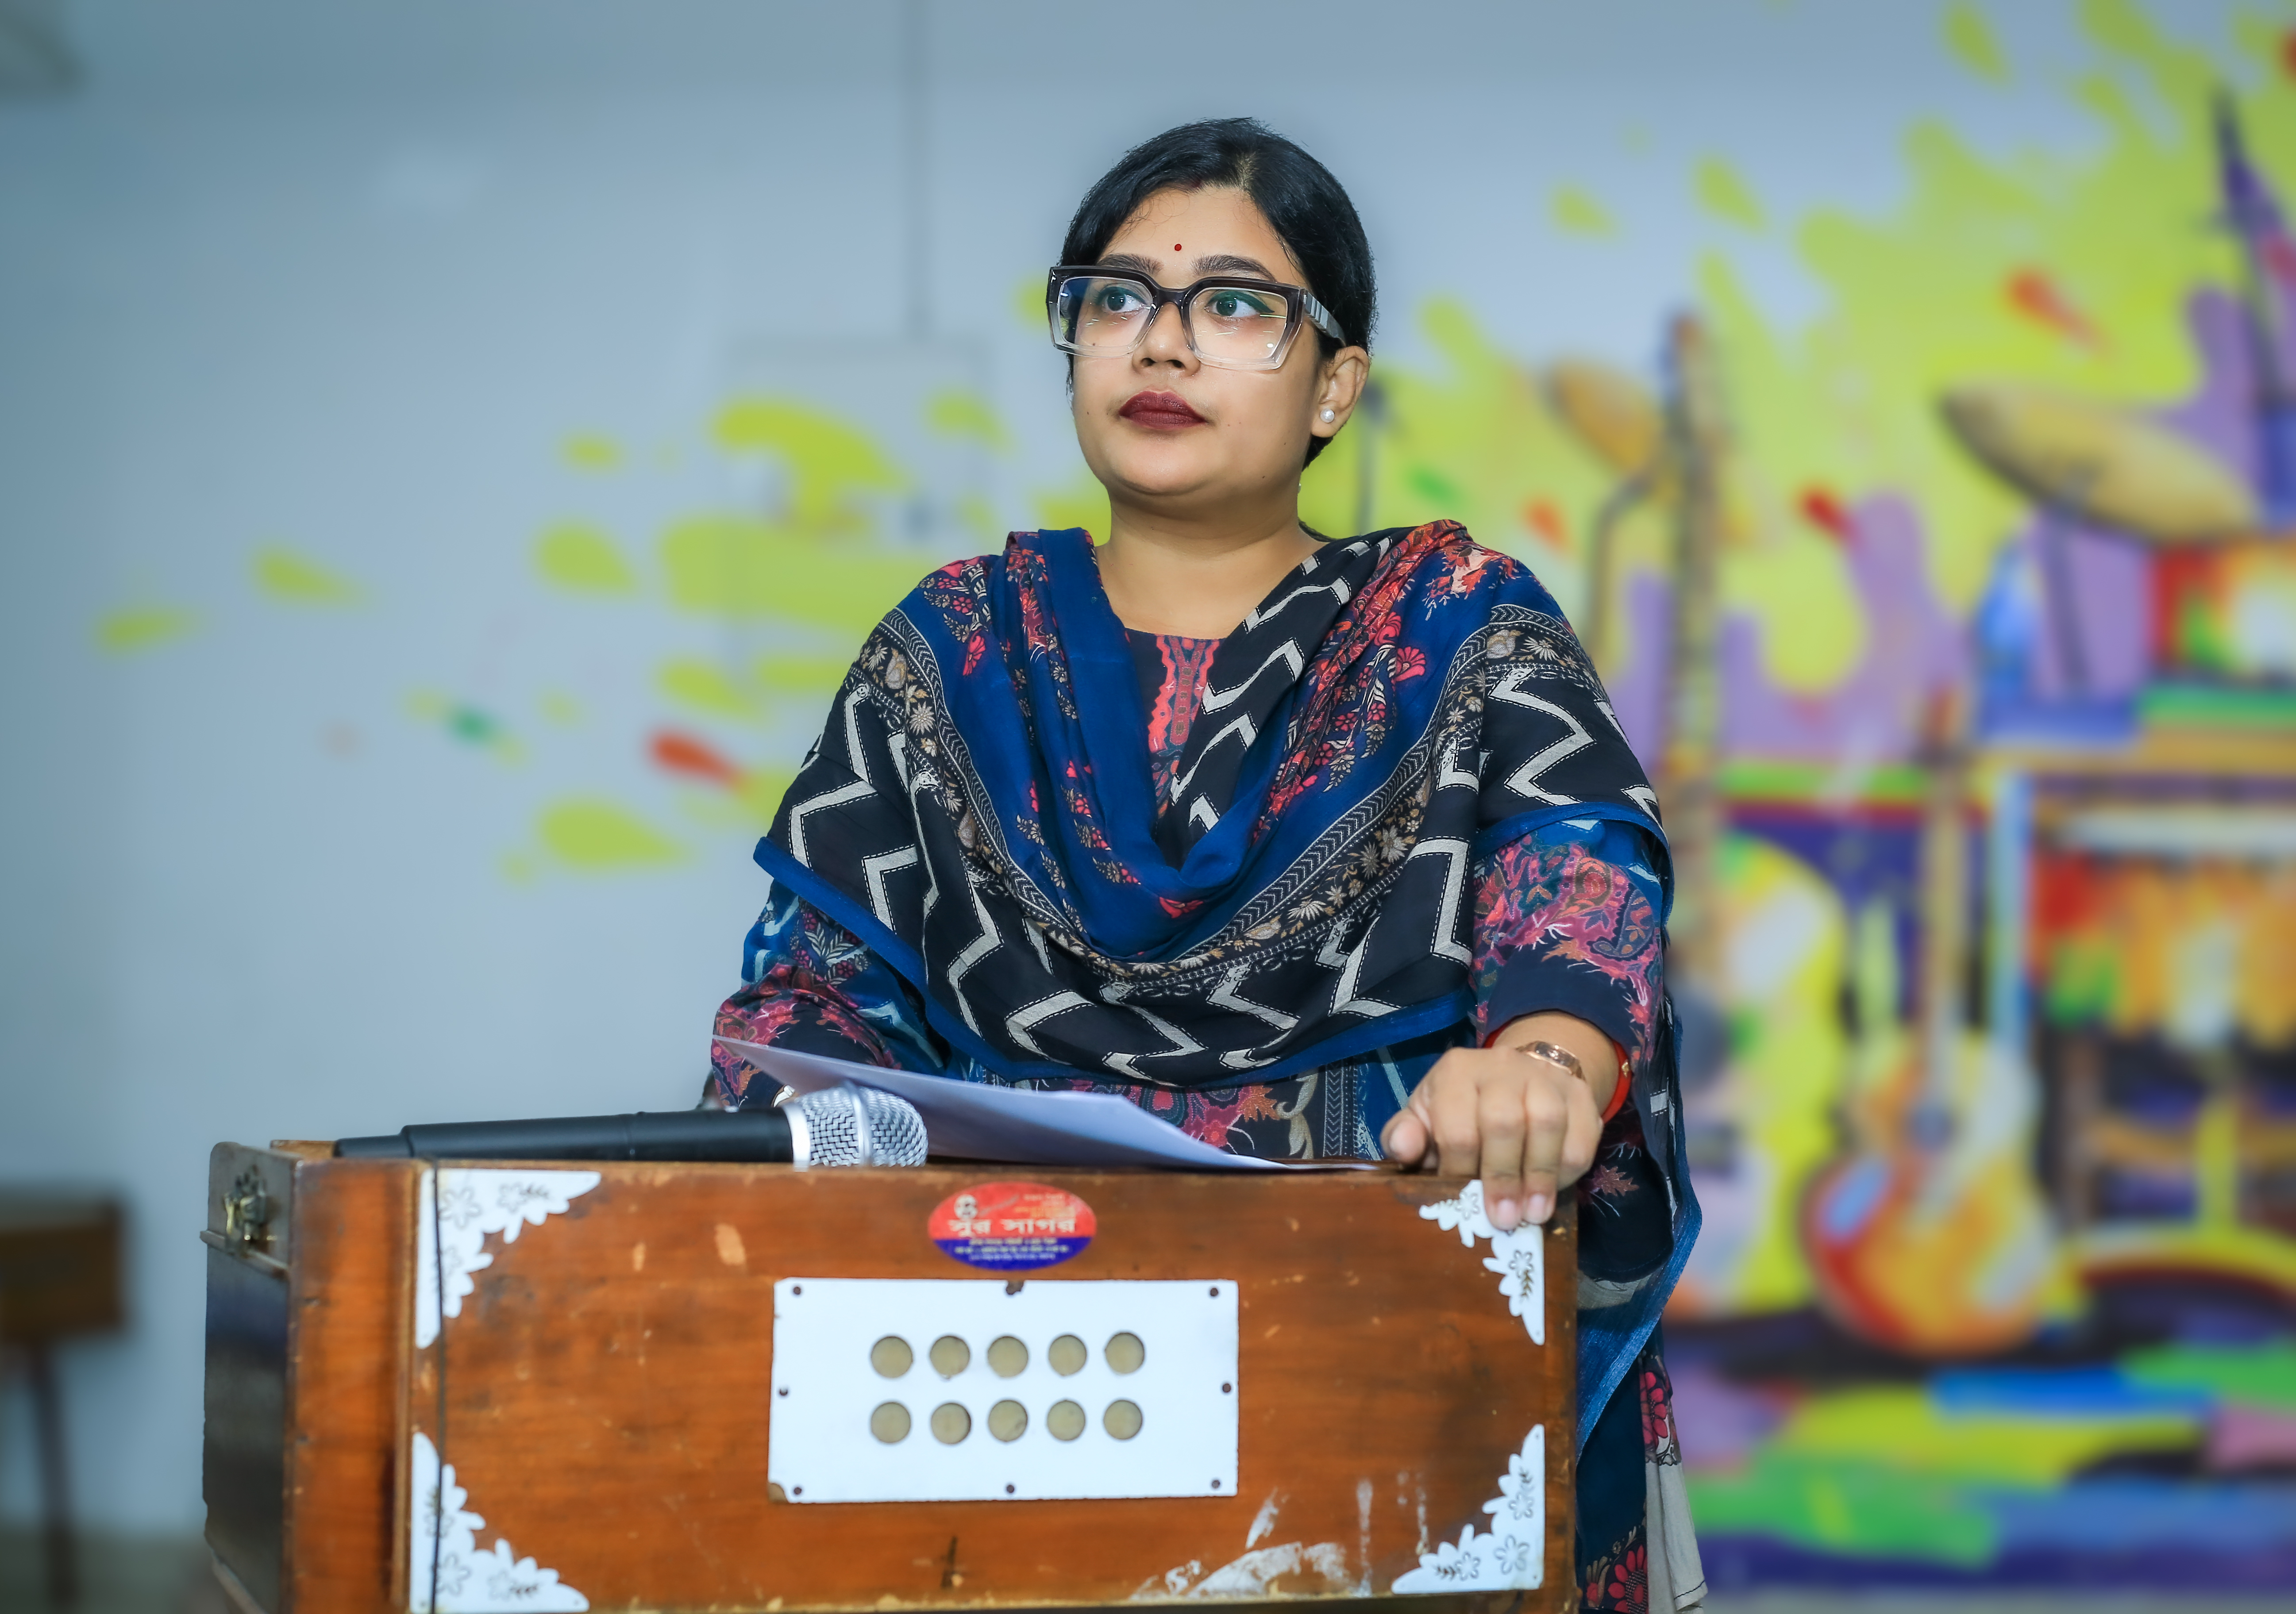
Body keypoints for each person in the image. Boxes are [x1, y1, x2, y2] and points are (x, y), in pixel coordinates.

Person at [709, 118, 1701, 1613]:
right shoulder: (953, 646)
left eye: (1234, 304)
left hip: (1390, 1333)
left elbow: (1576, 867)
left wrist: (1542, 1069)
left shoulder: (1454, 623)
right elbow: (811, 998)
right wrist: (814, 1137)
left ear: (1333, 385)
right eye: (1117, 298)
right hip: (1004, 1366)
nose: (1160, 342)